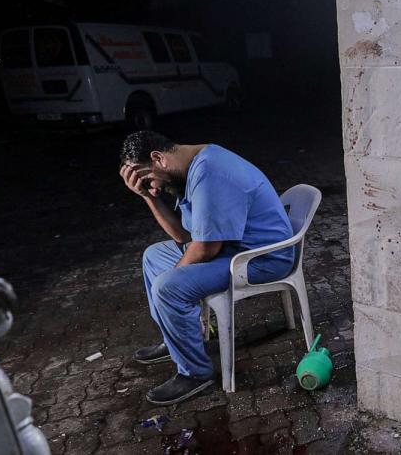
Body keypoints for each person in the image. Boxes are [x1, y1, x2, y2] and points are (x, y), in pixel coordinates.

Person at [119, 131, 295, 404]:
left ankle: (195, 374)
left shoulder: (210, 172)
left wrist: (176, 276)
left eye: (149, 181)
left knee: (169, 287)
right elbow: (183, 237)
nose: (155, 188)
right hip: (231, 250)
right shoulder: (191, 167)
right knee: (154, 256)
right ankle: (175, 338)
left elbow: (205, 249)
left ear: (158, 158)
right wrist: (147, 197)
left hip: (261, 259)